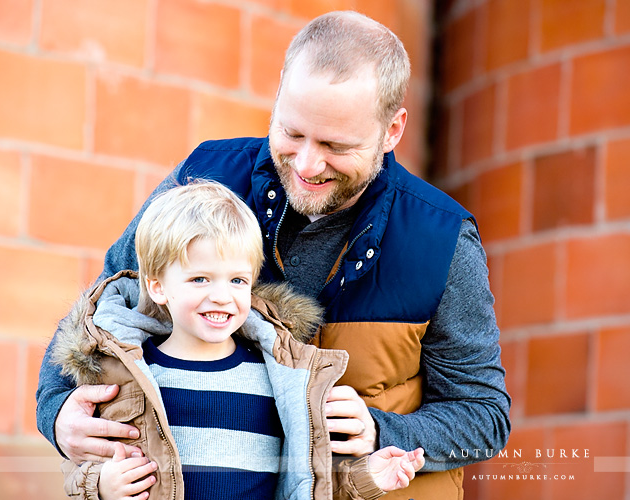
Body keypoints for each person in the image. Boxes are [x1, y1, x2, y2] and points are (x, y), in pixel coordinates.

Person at [37, 10, 510, 499]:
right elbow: (100, 311)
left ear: (393, 130)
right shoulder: (204, 178)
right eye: (292, 132)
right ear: (280, 92)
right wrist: (56, 413)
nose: (307, 164)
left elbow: (485, 415)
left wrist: (382, 431)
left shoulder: (444, 240)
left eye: (335, 145)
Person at [52, 182, 425, 500]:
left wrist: (370, 477)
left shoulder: (279, 376)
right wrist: (100, 485)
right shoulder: (130, 375)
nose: (221, 296)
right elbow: (81, 467)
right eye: (200, 279)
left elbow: (306, 481)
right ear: (157, 287)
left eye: (237, 281)